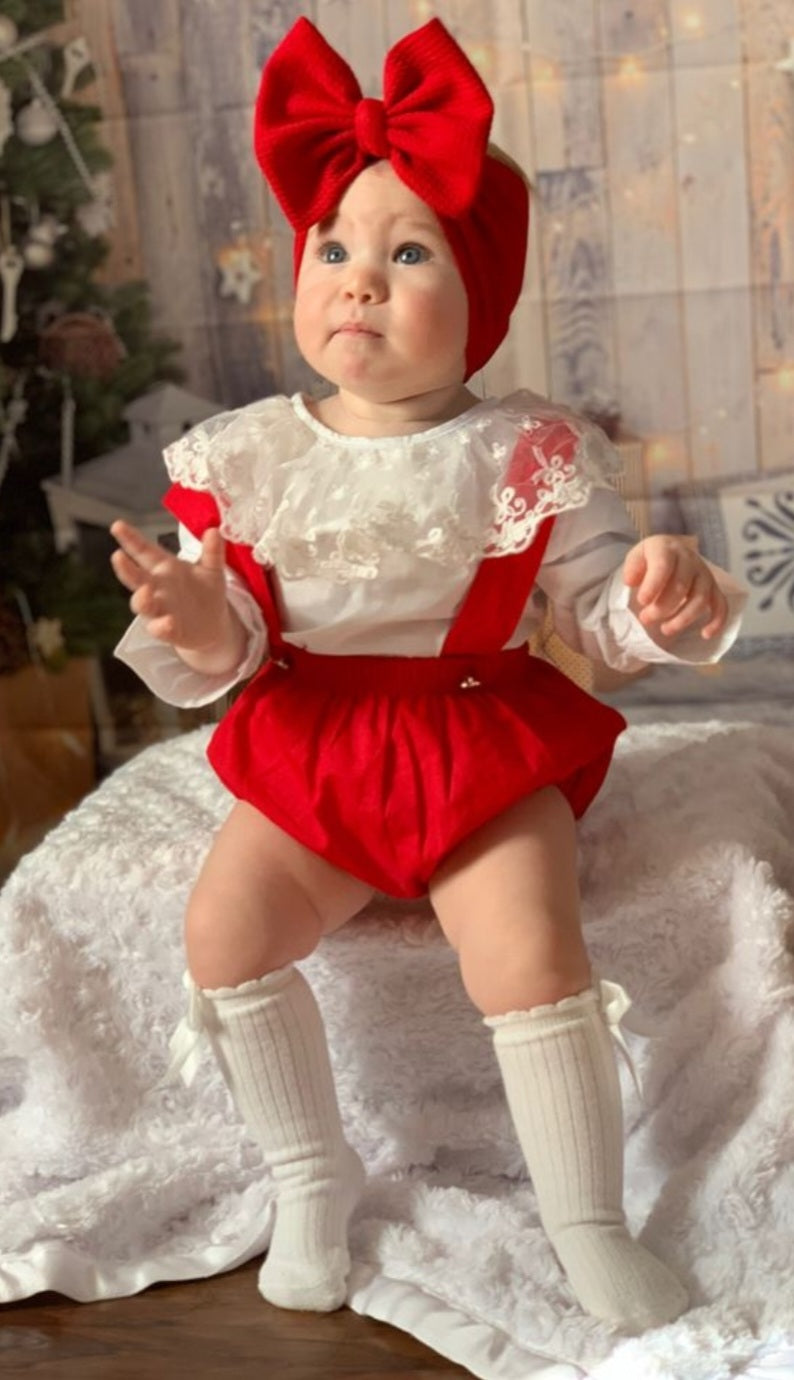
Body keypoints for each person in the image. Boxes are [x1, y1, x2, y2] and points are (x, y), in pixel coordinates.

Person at [111, 17, 744, 1332]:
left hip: (472, 740)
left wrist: (646, 599)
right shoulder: (243, 457)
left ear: (481, 302)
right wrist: (190, 616)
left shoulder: (524, 453)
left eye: (407, 255)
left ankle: (583, 1221)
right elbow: (232, 654)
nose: (356, 282)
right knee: (222, 935)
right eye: (332, 250)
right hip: (310, 741)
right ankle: (306, 1174)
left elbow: (593, 620)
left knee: (526, 951)